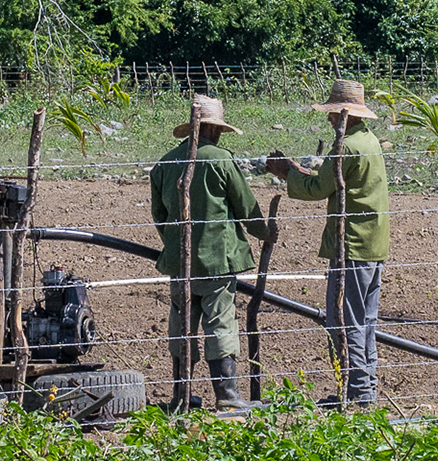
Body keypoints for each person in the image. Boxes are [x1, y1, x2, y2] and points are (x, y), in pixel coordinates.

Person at [266, 79, 390, 407]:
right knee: (364, 322)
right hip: (373, 243)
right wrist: (297, 170)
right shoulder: (368, 140)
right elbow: (332, 181)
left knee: (345, 322)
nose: (329, 119)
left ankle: (357, 396)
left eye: (333, 114)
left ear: (343, 115)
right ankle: (364, 392)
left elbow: (319, 189)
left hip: (352, 244)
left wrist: (285, 173)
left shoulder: (345, 146)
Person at [150, 93, 269, 412]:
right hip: (218, 261)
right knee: (220, 325)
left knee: (181, 325)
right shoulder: (220, 159)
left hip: (180, 264)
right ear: (215, 130)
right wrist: (265, 233)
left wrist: (175, 243)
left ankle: (181, 398)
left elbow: (159, 216)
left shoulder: (165, 163)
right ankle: (228, 397)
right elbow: (246, 207)